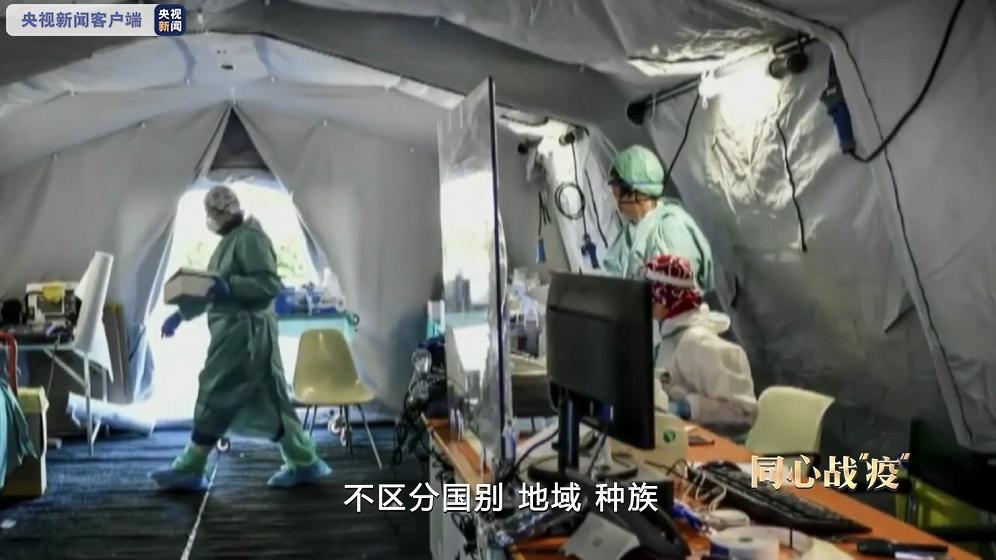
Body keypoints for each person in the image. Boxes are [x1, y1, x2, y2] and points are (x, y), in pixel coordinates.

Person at [151, 185, 331, 491]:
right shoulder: (231, 242)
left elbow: (268, 286)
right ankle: (304, 461)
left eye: (212, 214)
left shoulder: (250, 238)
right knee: (270, 403)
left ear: (221, 213)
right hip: (239, 335)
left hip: (245, 335)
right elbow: (210, 289)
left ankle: (190, 467)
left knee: (216, 393)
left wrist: (232, 287)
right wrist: (181, 314)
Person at [646, 254, 757, 435]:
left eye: (651, 295)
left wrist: (688, 408)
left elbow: (743, 412)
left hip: (716, 443)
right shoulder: (669, 334)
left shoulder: (697, 342)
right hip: (678, 435)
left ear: (664, 298)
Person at [603, 145, 713, 294]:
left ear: (632, 190)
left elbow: (677, 296)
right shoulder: (633, 230)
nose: (611, 195)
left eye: (614, 188)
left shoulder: (671, 229)